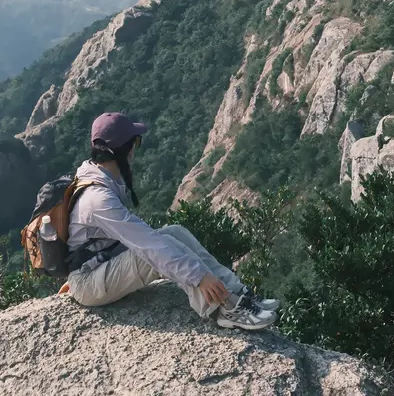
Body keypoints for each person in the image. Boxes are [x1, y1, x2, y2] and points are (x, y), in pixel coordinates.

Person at [62, 112, 278, 330]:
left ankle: (237, 291)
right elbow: (148, 246)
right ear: (124, 149)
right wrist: (199, 277)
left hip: (99, 266)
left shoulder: (98, 176)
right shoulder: (98, 198)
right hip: (89, 281)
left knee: (174, 232)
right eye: (135, 142)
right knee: (153, 253)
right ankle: (222, 308)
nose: (136, 149)